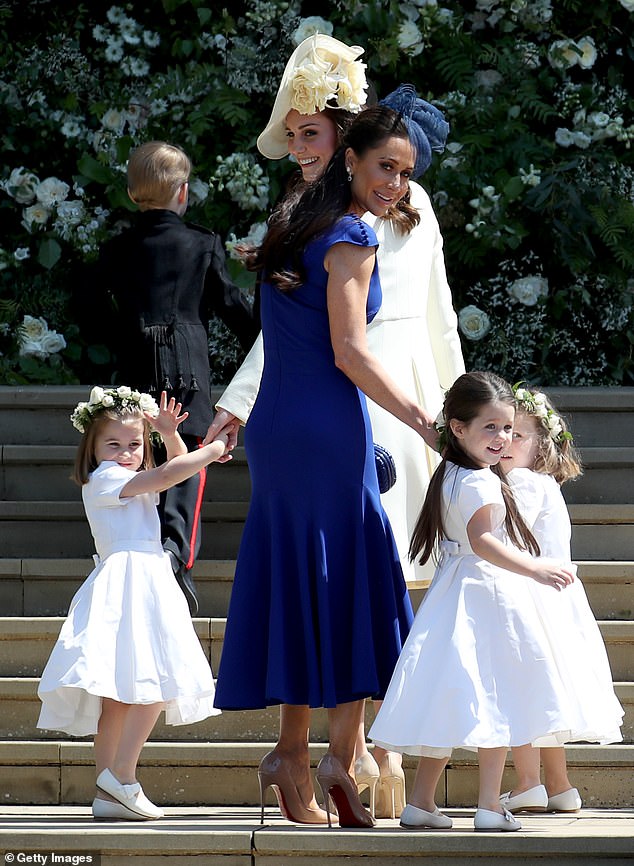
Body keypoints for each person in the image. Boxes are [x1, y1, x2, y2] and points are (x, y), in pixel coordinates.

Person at [207, 34, 464, 819]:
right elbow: (351, 351)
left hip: (288, 424)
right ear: (353, 158)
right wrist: (429, 422)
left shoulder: (294, 217)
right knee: (352, 580)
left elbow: (306, 335)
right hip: (334, 417)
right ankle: (333, 762)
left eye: (405, 171)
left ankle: (303, 755)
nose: (396, 182)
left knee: (304, 577)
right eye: (385, 166)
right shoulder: (349, 233)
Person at [368, 371, 584, 833]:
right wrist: (537, 568)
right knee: (497, 696)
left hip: (453, 594)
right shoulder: (482, 481)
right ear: (458, 428)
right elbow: (483, 540)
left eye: (508, 428)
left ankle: (422, 801)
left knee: (451, 696)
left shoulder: (450, 471)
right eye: (491, 427)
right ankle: (489, 804)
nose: (503, 438)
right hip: (489, 593)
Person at [36, 386, 235, 821]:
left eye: (134, 444)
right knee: (155, 681)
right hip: (131, 580)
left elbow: (173, 471)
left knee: (122, 697)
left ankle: (109, 794)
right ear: (93, 448)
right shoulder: (106, 478)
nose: (125, 452)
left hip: (142, 577)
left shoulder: (129, 478)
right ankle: (122, 776)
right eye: (114, 444)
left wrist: (168, 435)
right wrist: (215, 447)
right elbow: (168, 476)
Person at [93, 141, 257, 615]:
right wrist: (270, 346)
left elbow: (84, 303)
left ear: (130, 193)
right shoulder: (202, 242)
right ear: (183, 192)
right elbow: (231, 307)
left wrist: (122, 332)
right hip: (188, 367)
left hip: (136, 365)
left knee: (137, 455)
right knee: (187, 463)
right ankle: (175, 555)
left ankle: (144, 551)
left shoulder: (118, 247)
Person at [496, 386, 623, 815]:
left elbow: (505, 541)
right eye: (504, 431)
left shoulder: (521, 483)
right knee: (545, 698)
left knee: (524, 694)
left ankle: (529, 782)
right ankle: (560, 785)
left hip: (531, 599)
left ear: (541, 445)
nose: (507, 442)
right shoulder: (543, 483)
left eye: (520, 435)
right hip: (555, 602)